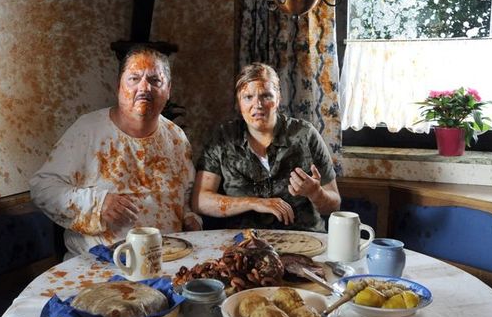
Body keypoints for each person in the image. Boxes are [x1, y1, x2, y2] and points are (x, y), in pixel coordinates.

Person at [30, 46, 201, 257]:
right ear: (118, 87)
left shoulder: (176, 137)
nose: (144, 88)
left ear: (168, 90)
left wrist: (189, 217)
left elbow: (183, 196)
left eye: (155, 81)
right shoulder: (88, 130)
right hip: (99, 264)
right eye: (134, 79)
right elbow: (42, 189)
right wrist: (98, 204)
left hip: (166, 260)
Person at [192, 62, 340, 232]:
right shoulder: (223, 138)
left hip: (303, 240)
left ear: (278, 99)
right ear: (239, 103)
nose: (258, 104)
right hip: (244, 243)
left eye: (266, 96)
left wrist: (316, 193)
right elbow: (199, 200)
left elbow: (334, 205)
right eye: (248, 97)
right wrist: (254, 203)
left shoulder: (305, 135)